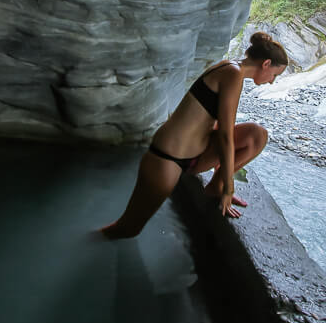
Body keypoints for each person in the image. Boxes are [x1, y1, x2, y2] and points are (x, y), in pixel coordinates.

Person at [99, 32, 288, 239]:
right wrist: (230, 189)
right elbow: (225, 135)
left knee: (257, 135)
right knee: (126, 229)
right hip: (166, 159)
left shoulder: (231, 70)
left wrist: (222, 174)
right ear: (266, 64)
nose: (272, 81)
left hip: (197, 153)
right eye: (275, 75)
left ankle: (216, 187)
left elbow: (210, 122)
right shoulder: (232, 73)